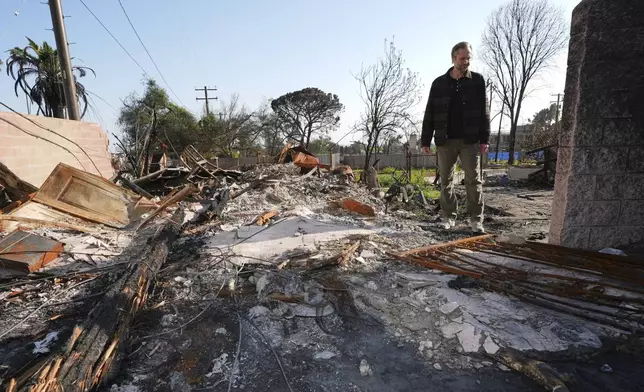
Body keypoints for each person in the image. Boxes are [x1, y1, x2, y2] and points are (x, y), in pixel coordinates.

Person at [421, 42, 490, 233]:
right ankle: (448, 216)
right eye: (462, 58)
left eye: (469, 58)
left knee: (473, 180)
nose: (466, 62)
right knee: (445, 181)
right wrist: (425, 140)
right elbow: (430, 112)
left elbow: (485, 111)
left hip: (471, 140)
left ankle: (476, 220)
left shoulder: (478, 81)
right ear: (453, 58)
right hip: (445, 140)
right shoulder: (439, 83)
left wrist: (485, 138)